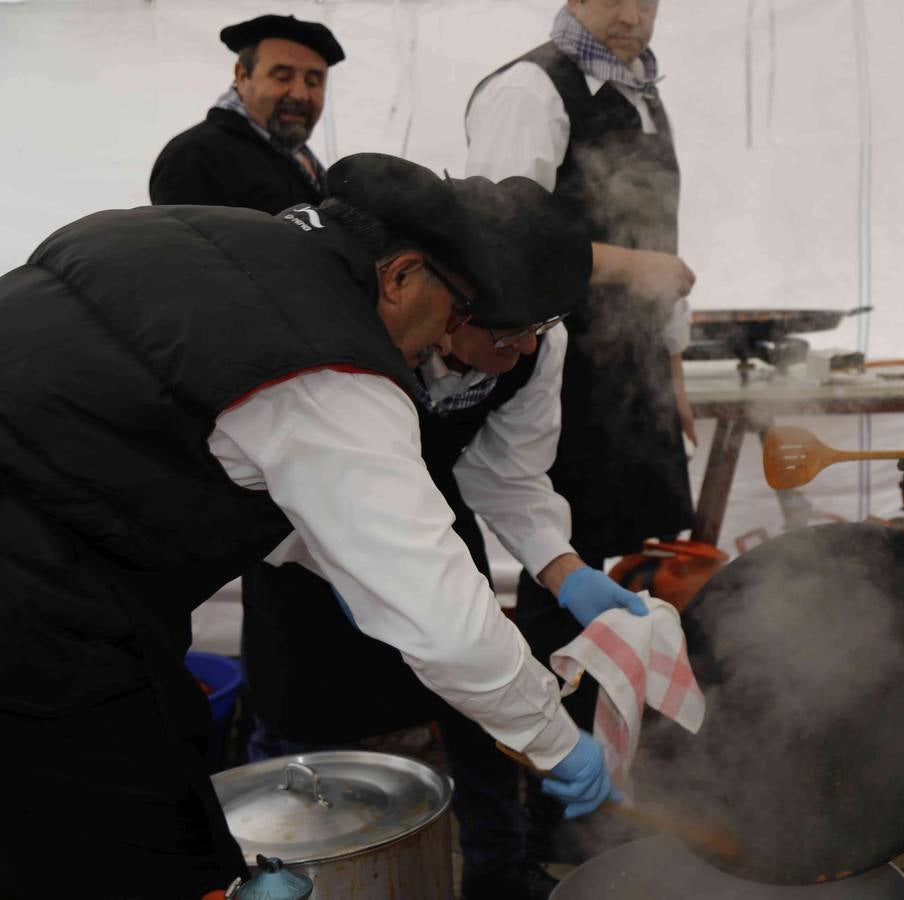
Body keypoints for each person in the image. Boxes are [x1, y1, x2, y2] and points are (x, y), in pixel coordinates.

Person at [0, 152, 620, 899]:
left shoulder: (209, 237)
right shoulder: (329, 368)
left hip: (54, 556)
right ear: (399, 277)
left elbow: (265, 481)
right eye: (467, 318)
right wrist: (556, 742)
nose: (458, 349)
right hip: (36, 602)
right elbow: (445, 625)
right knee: (123, 843)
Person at [243, 302, 652, 899]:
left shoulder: (534, 340)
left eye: (538, 331)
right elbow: (266, 477)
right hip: (301, 536)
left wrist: (566, 572)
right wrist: (350, 570)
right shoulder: (337, 335)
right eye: (511, 333)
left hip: (435, 526)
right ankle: (293, 876)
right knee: (304, 755)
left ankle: (498, 874)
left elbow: (505, 472)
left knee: (480, 719)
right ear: (447, 303)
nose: (529, 348)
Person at [464, 0, 698, 854]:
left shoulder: (644, 92)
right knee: (555, 584)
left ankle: (623, 766)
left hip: (626, 370)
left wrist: (669, 366)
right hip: (552, 372)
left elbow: (657, 232)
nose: (632, 11)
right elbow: (498, 236)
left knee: (622, 561)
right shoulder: (531, 88)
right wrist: (639, 268)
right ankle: (550, 801)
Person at [149, 14, 341, 212]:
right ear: (241, 77)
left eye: (313, 82)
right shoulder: (195, 158)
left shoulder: (297, 154)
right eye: (283, 77)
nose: (301, 95)